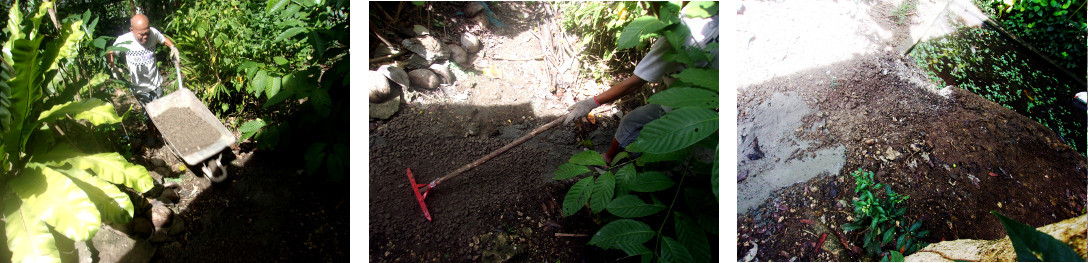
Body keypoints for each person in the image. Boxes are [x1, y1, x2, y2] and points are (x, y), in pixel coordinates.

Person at [564, 11, 718, 165]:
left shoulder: (676, 36)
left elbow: (635, 82)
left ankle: (611, 161)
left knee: (630, 122)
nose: (646, 11)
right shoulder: (710, 17)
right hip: (708, 101)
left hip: (684, 104)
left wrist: (592, 102)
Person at [106, 14, 180, 106]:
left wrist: (172, 47)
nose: (145, 36)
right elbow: (110, 52)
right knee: (148, 112)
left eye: (147, 33)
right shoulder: (124, 40)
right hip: (139, 88)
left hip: (156, 84)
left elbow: (163, 39)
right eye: (142, 34)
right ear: (132, 30)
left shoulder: (153, 33)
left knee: (162, 108)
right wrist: (113, 66)